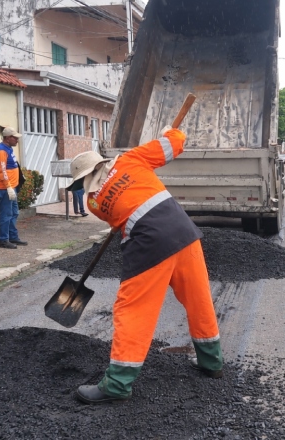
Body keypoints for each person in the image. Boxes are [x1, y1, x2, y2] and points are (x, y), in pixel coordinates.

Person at [67, 126, 223, 404]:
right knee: (198, 300)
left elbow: (121, 209)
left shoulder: (94, 202)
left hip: (150, 243)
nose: (80, 190)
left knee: (133, 310)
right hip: (184, 232)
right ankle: (212, 363)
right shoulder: (131, 159)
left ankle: (116, 385)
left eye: (79, 184)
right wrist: (169, 131)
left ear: (86, 180)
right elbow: (175, 142)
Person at [0, 126, 28, 249]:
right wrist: (8, 187)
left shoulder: (8, 148)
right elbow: (2, 170)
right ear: (8, 138)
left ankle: (12, 237)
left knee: (14, 213)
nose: (17, 140)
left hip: (11, 188)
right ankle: (3, 240)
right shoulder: (1, 150)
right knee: (6, 214)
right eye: (15, 138)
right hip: (4, 189)